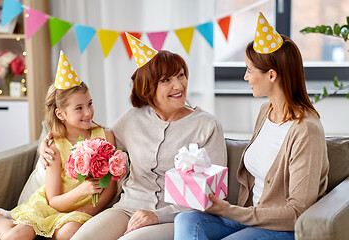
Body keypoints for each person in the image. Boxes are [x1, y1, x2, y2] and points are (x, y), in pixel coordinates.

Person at [39, 33, 227, 240]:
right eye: (166, 80)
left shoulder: (207, 125)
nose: (179, 85)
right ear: (149, 88)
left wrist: (156, 215)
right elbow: (96, 140)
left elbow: (211, 194)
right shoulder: (132, 119)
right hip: (127, 208)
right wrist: (49, 141)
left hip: (173, 217)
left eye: (181, 75)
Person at [174, 12, 329, 240]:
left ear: (272, 75)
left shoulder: (306, 130)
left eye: (249, 70)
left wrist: (229, 211)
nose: (245, 77)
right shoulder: (265, 111)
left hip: (282, 230)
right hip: (249, 218)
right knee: (186, 220)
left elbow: (298, 212)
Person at [0, 51, 118, 240]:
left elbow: (111, 187)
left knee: (70, 232)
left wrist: (90, 209)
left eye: (89, 104)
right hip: (49, 207)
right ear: (60, 114)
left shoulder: (105, 137)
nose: (88, 112)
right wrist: (81, 191)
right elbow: (54, 202)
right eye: (79, 108)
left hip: (81, 211)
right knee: (15, 236)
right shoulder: (55, 148)